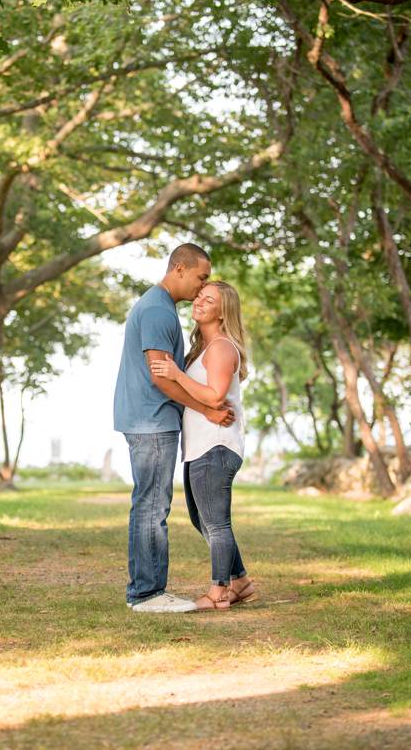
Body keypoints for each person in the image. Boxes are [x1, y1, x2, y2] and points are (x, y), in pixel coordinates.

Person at [114, 244, 235, 613]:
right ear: (179, 268)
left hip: (152, 419)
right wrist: (206, 411)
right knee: (152, 506)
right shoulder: (156, 310)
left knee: (152, 504)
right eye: (200, 278)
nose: (202, 288)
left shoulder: (161, 307)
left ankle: (147, 591)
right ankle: (148, 593)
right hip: (151, 420)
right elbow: (161, 377)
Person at [150, 281, 256, 611]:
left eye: (208, 299)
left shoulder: (223, 347)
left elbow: (215, 396)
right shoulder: (205, 348)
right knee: (203, 519)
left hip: (217, 446)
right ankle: (240, 582)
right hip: (201, 447)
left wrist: (175, 374)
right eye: (199, 295)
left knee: (216, 523)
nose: (198, 301)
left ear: (223, 311)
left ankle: (219, 592)